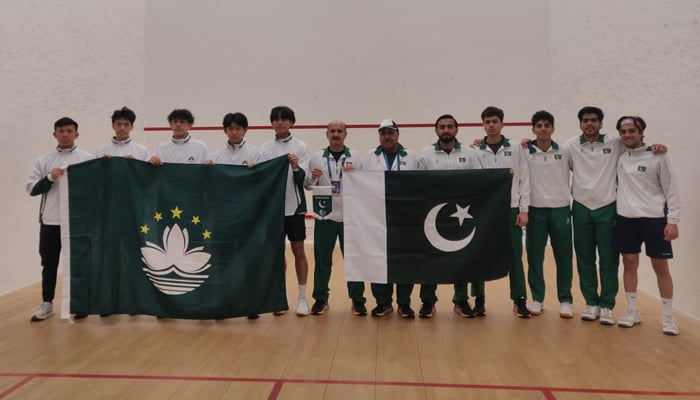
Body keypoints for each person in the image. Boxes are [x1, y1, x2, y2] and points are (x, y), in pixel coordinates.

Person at [613, 116, 680, 335]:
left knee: (660, 267)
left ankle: (668, 316)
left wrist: (673, 221)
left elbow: (671, 190)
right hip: (626, 218)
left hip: (654, 219)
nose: (627, 135)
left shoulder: (657, 156)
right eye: (623, 132)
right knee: (629, 263)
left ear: (641, 132)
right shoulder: (619, 156)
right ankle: (632, 310)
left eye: (632, 131)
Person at [27, 117, 94, 321]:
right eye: (61, 131)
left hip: (77, 223)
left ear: (76, 134)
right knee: (49, 264)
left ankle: (79, 303)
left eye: (69, 131)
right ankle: (47, 304)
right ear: (54, 134)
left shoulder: (87, 159)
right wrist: (49, 178)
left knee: (78, 263)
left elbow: (95, 189)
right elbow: (31, 189)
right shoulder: (43, 160)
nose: (65, 134)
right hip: (50, 222)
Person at [417, 114, 481, 319]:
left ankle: (461, 300)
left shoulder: (470, 153)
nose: (446, 130)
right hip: (432, 216)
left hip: (461, 216)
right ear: (436, 131)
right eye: (442, 127)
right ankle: (428, 301)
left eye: (450, 127)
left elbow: (480, 181)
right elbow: (418, 185)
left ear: (456, 129)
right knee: (430, 259)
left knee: (460, 258)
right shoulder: (426, 154)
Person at [303, 120, 366, 316]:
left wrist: (355, 175)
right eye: (333, 131)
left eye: (340, 131)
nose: (336, 134)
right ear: (327, 134)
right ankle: (321, 300)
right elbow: (306, 185)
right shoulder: (316, 157)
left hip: (350, 219)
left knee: (353, 261)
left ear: (346, 134)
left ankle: (358, 300)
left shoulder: (355, 156)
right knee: (322, 262)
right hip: (324, 218)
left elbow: (365, 185)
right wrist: (313, 177)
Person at [473, 106, 531, 318]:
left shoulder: (516, 148)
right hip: (485, 212)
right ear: (483, 125)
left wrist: (524, 210)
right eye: (487, 122)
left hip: (511, 210)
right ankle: (479, 300)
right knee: (479, 255)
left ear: (502, 123)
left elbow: (525, 179)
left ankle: (519, 299)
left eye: (495, 121)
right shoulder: (475, 151)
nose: (491, 125)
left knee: (515, 255)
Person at [209, 112, 262, 319]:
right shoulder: (214, 156)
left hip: (248, 216)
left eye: (238, 128)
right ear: (224, 130)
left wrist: (257, 171)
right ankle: (222, 303)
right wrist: (208, 171)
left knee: (248, 260)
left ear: (245, 130)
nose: (234, 132)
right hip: (222, 217)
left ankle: (251, 304)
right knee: (222, 261)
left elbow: (263, 181)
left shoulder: (257, 154)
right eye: (230, 128)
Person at [364, 119, 418, 318]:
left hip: (405, 219)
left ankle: (404, 303)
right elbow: (360, 183)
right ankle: (383, 302)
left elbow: (422, 185)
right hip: (377, 218)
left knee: (404, 261)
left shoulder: (412, 157)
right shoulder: (370, 156)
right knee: (378, 260)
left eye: (390, 132)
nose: (386, 136)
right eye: (383, 133)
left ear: (397, 134)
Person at [260, 106, 311, 316]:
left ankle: (302, 296)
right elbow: (261, 180)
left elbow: (305, 181)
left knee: (298, 250)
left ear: (292, 122)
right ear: (272, 123)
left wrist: (297, 167)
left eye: (284, 119)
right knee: (277, 252)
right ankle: (281, 295)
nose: (280, 123)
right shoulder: (264, 149)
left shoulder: (301, 146)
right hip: (273, 210)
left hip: (295, 208)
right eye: (276, 119)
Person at [523, 111, 574, 318]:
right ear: (533, 129)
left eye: (546, 125)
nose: (543, 129)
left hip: (561, 209)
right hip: (535, 210)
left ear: (553, 128)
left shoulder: (565, 150)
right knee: (535, 257)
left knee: (564, 257)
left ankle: (566, 300)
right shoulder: (524, 151)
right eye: (539, 125)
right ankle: (537, 299)